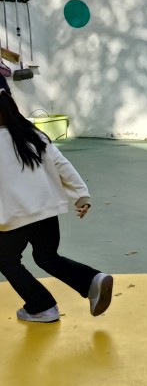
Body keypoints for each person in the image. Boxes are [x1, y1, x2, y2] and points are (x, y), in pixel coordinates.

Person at [0, 75, 113, 323]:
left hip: (14, 217)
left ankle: (42, 306)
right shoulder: (32, 133)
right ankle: (92, 280)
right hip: (46, 212)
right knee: (47, 257)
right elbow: (61, 163)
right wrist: (81, 195)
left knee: (6, 260)